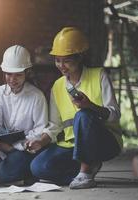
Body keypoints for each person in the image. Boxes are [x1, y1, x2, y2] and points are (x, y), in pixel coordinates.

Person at [29, 27, 123, 189]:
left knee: (83, 115)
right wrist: (41, 141)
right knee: (37, 167)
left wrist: (90, 106)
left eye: (66, 60)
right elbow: (55, 125)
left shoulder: (99, 75)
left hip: (105, 142)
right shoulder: (57, 86)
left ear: (80, 57)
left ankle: (86, 172)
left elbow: (115, 114)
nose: (61, 65)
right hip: (72, 146)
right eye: (57, 60)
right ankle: (85, 169)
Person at [0, 45, 49, 184]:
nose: (12, 79)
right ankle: (1, 166)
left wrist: (13, 147)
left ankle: (3, 170)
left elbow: (40, 130)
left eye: (18, 75)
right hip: (4, 140)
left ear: (27, 73)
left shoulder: (36, 96)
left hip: (24, 147)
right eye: (8, 74)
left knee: (7, 171)